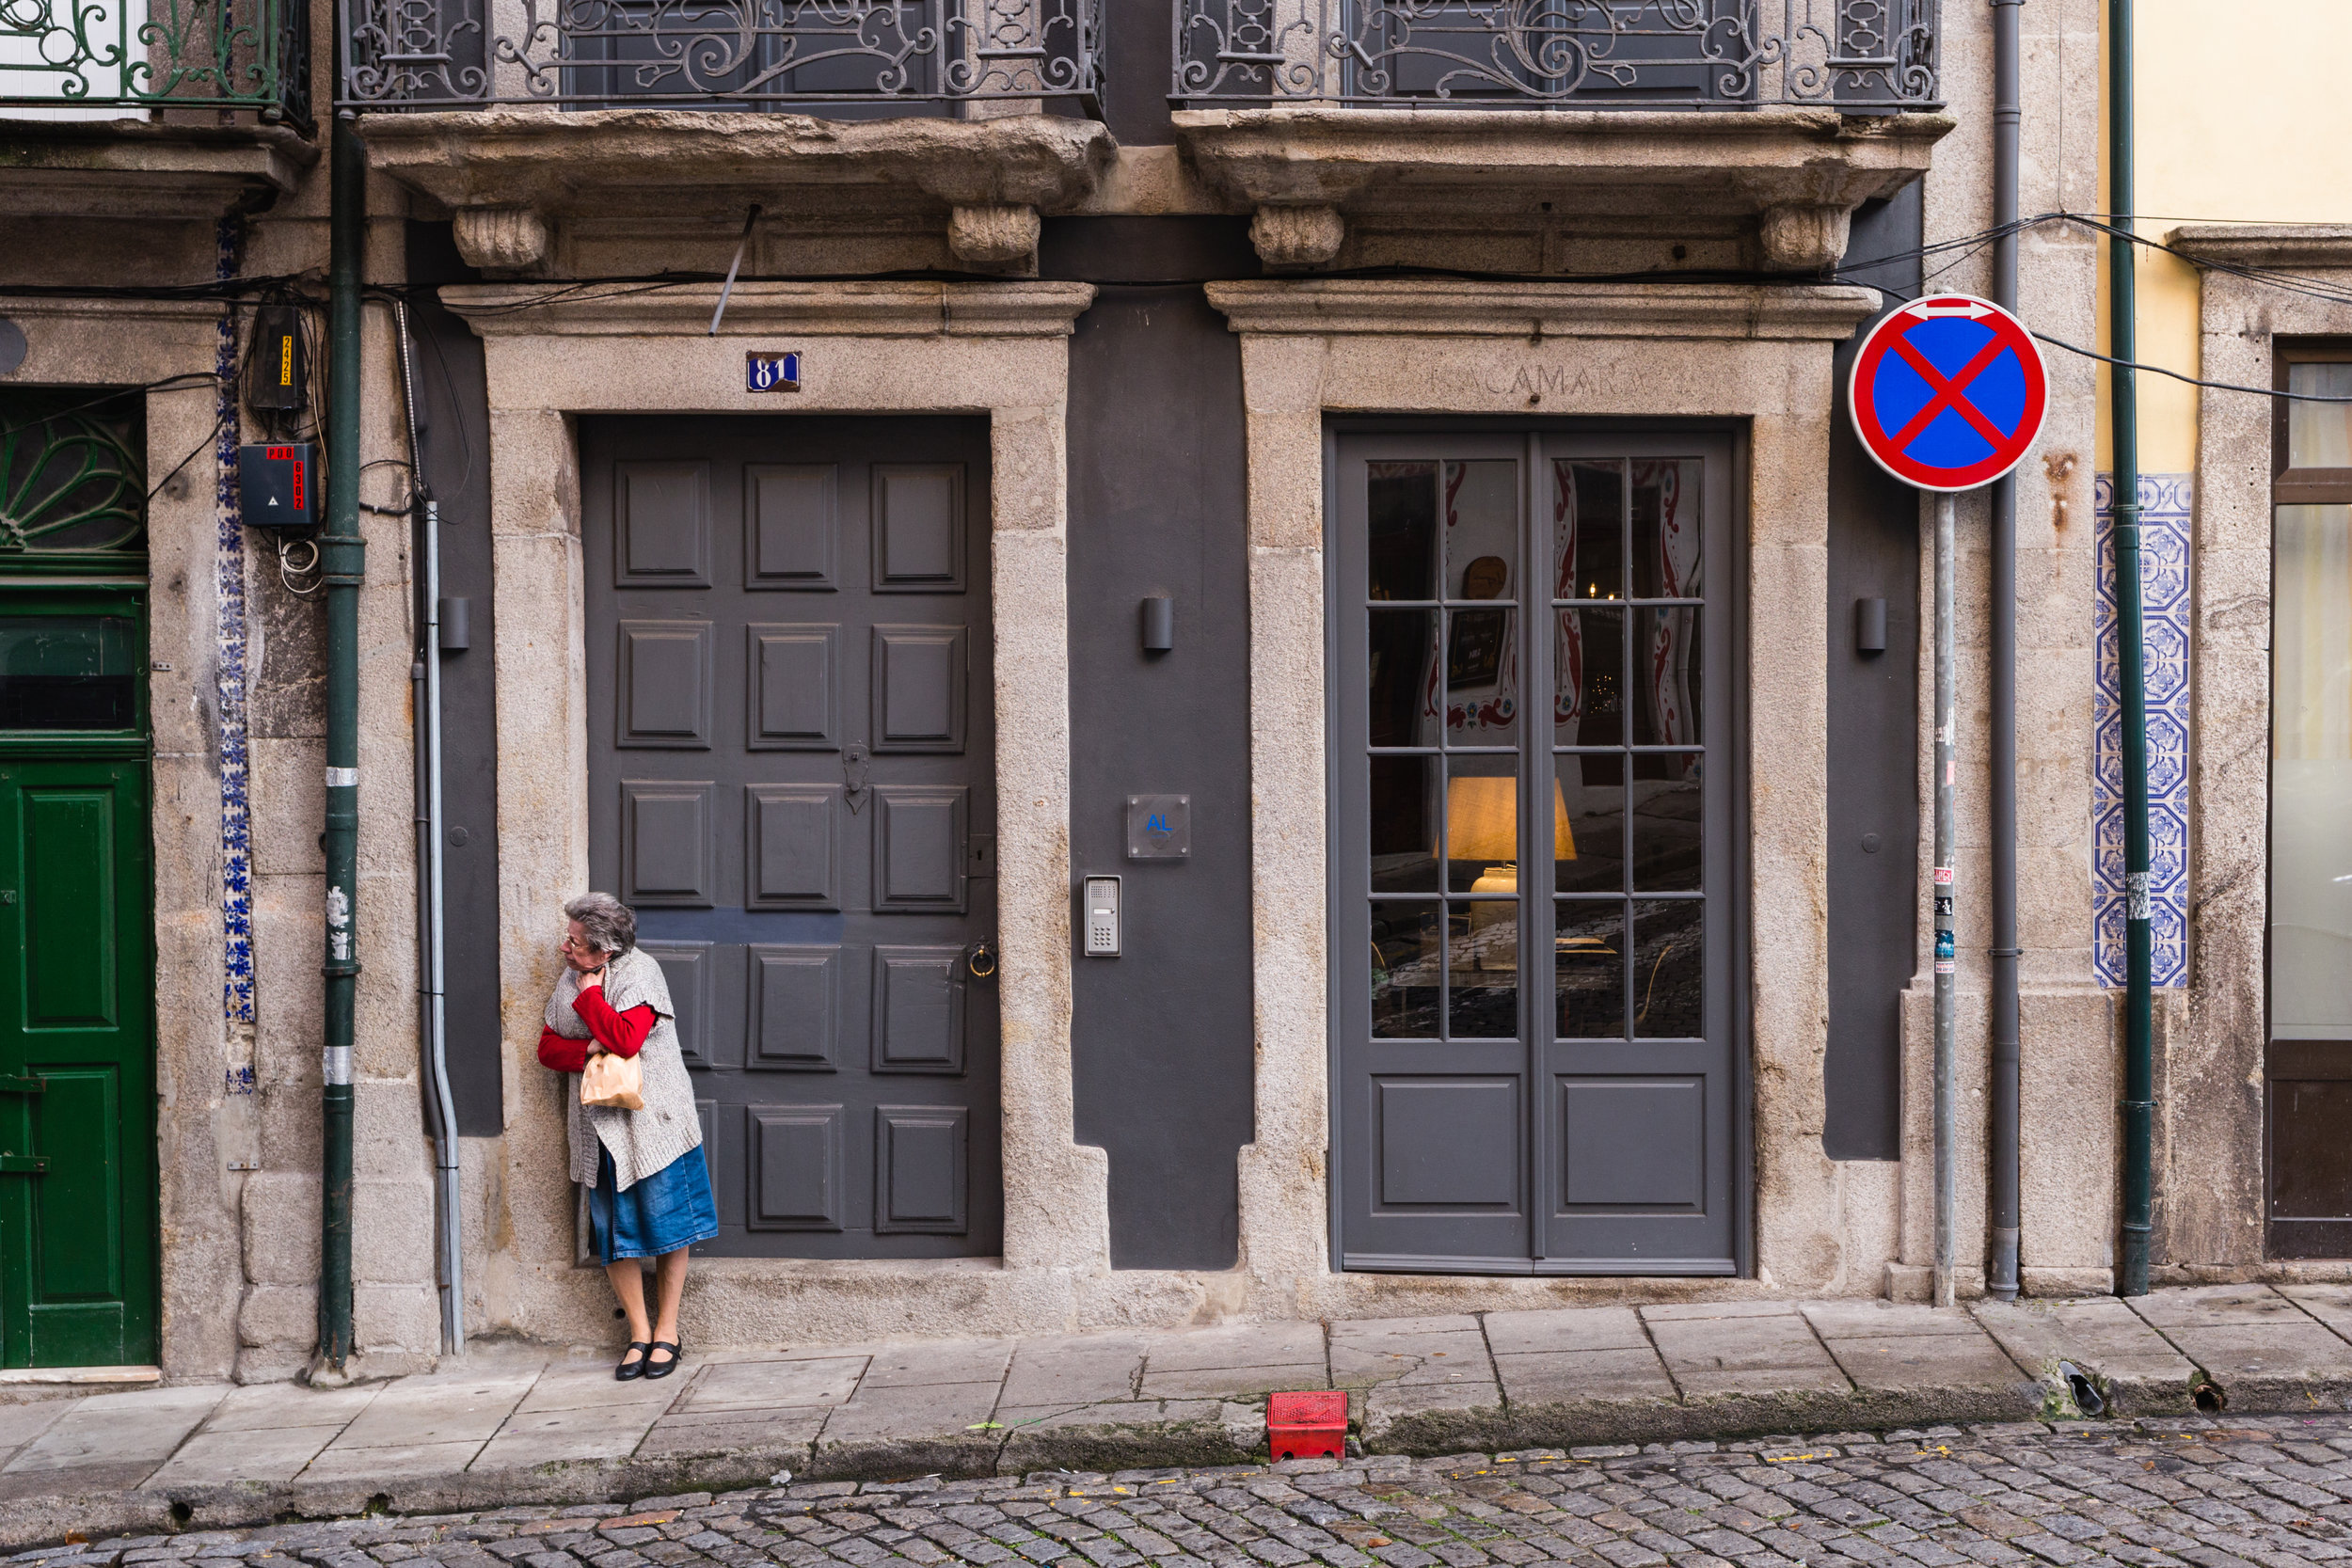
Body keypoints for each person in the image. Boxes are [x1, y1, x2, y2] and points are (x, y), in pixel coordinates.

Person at [536, 892, 716, 1380]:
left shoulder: (641, 974)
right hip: (598, 1129)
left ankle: (668, 1330)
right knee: (614, 1232)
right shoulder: (569, 978)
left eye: (574, 942)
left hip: (652, 1125)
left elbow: (627, 1038)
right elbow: (548, 1048)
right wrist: (593, 1046)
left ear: (605, 951)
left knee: (668, 1223)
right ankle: (639, 1331)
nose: (564, 948)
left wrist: (593, 1003)